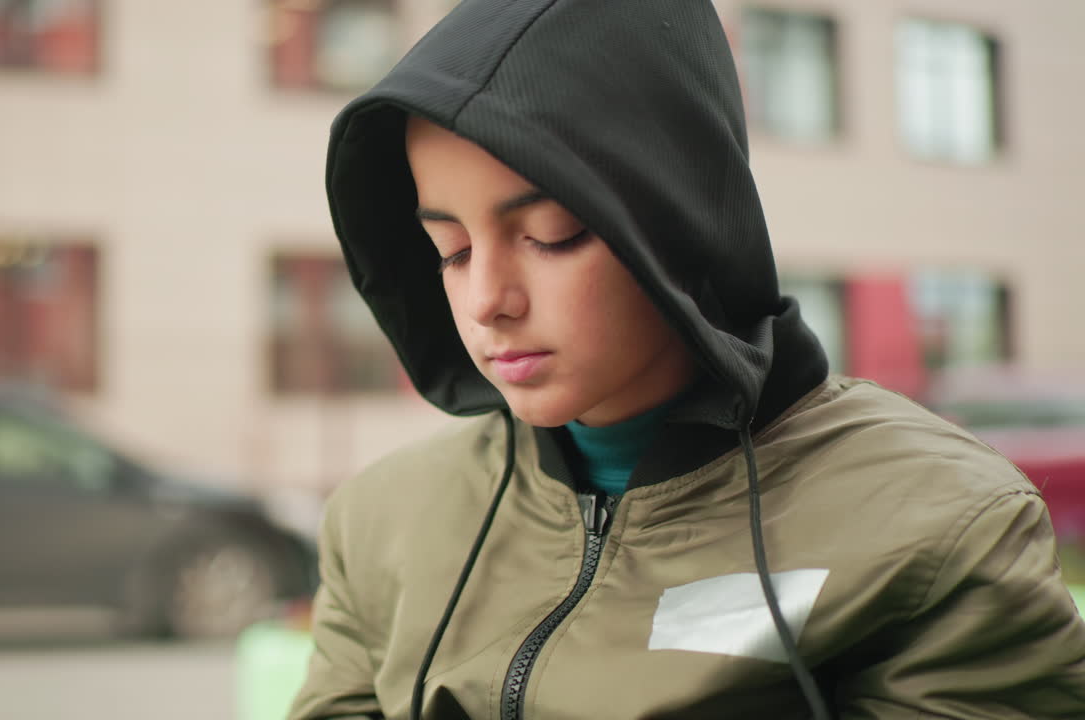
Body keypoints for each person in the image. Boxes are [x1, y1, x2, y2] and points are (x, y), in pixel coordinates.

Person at [289, 1, 1085, 718]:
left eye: (553, 233)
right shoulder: (383, 524)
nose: (487, 298)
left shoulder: (938, 527)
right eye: (452, 250)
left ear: (677, 218)